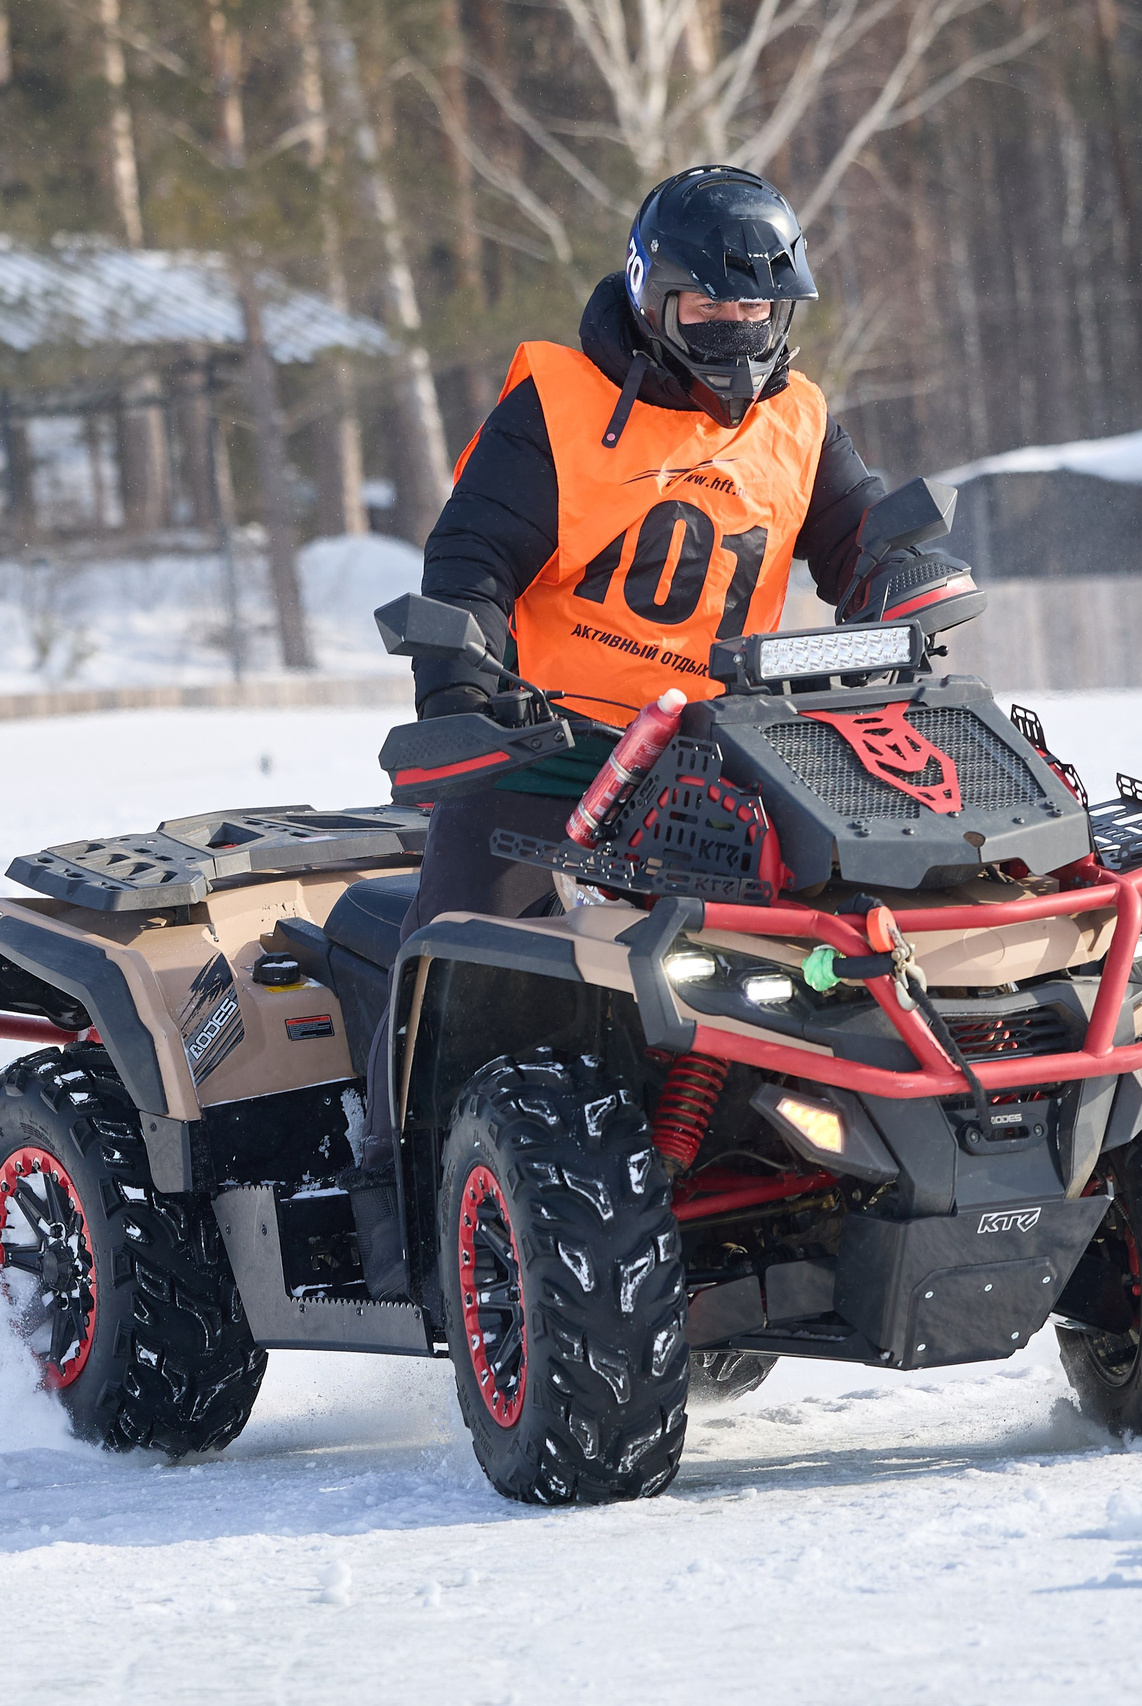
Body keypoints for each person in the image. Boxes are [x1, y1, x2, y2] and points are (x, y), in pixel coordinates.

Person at [346, 164, 975, 1297]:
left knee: (863, 940)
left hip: (728, 758)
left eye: (759, 311)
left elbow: (860, 538)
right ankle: (405, 1213)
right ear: (649, 295)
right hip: (552, 753)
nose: (738, 335)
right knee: (455, 961)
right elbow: (468, 566)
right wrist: (461, 689)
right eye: (709, 309)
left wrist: (896, 576)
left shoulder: (798, 419)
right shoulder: (557, 403)